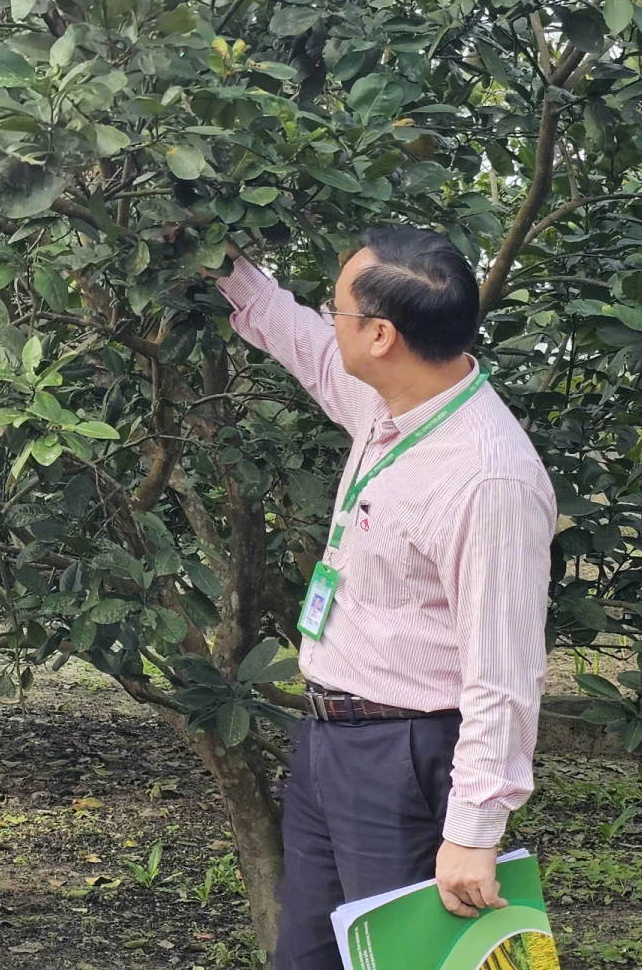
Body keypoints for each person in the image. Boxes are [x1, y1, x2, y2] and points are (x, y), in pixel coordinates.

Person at [210, 227, 554, 970]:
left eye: (338, 311)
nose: (326, 323)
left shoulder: (487, 478)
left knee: (405, 960)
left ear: (381, 335)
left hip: (405, 754)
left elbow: (505, 673)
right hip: (330, 737)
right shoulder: (390, 403)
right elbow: (294, 334)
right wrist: (215, 260)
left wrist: (473, 829)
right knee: (309, 955)